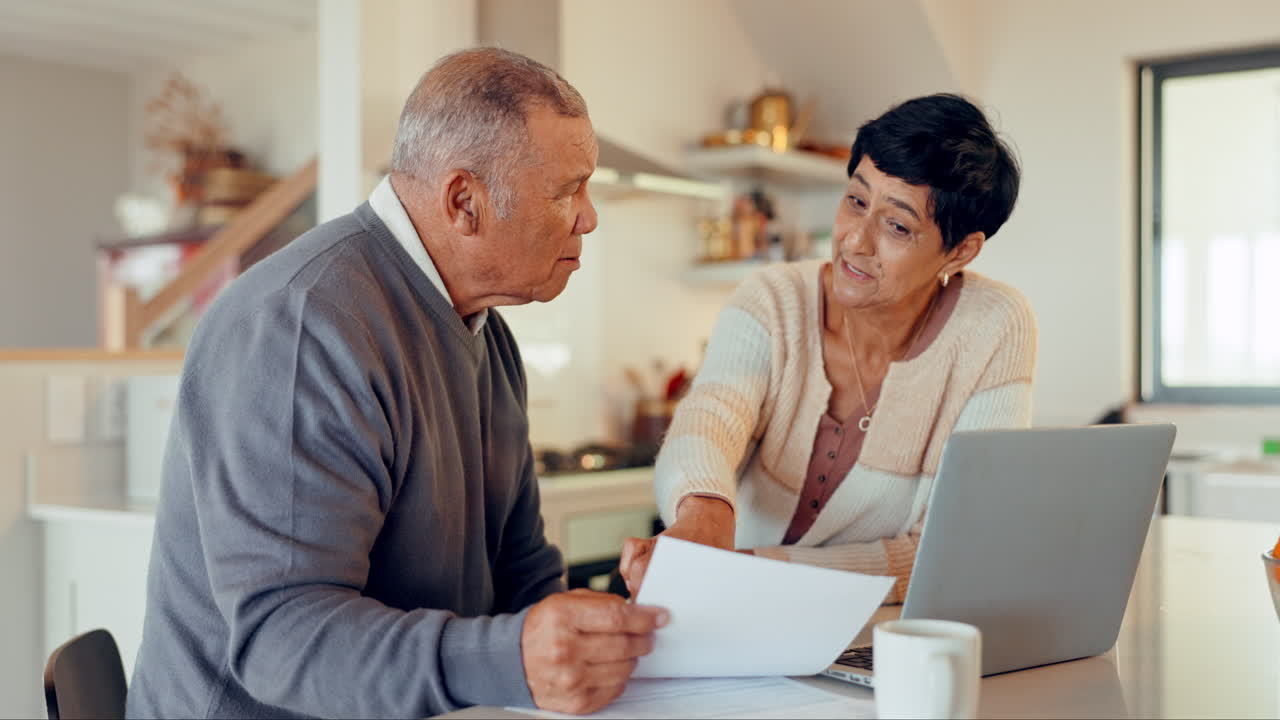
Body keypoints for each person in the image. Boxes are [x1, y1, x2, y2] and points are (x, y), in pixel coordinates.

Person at [127, 48, 666, 719]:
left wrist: (614, 630)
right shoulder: (304, 326)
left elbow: (522, 574)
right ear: (463, 201)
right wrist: (510, 657)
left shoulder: (485, 334)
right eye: (566, 191)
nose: (589, 218)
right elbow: (282, 641)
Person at [619, 94, 1036, 603]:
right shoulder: (773, 299)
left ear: (961, 249)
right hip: (722, 617)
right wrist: (705, 513)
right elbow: (711, 416)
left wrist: (746, 571)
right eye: (856, 201)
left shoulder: (994, 327)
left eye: (897, 226)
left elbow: (950, 550)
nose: (855, 241)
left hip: (865, 639)